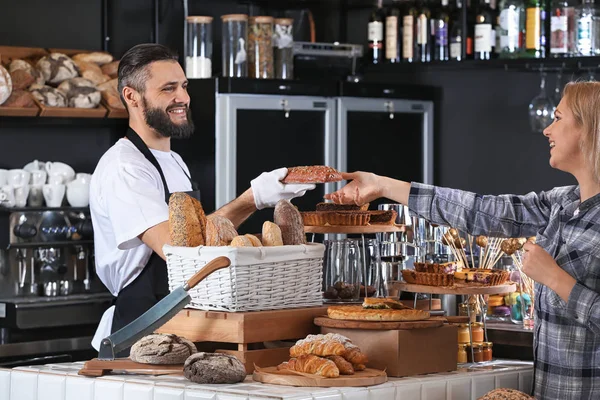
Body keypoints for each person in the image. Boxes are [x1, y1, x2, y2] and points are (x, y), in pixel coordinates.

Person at [326, 81, 600, 400]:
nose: (547, 130)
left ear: (588, 130)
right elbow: (480, 210)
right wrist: (383, 186)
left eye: (558, 117)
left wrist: (555, 278)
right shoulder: (561, 203)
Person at [89, 44, 314, 353]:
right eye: (168, 89)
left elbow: (201, 240)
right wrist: (252, 198)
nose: (183, 98)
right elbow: (178, 252)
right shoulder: (124, 166)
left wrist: (257, 199)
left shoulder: (174, 161)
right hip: (143, 327)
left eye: (183, 86)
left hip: (183, 319)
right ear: (132, 96)